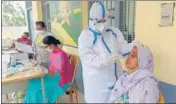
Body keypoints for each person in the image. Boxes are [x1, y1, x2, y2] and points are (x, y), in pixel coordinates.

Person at [78, 2, 135, 103]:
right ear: (92, 20)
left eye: (105, 20)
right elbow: (87, 59)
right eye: (99, 21)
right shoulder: (85, 36)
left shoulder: (114, 32)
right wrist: (106, 58)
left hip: (116, 81)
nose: (103, 23)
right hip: (97, 86)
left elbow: (123, 48)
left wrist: (134, 46)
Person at [24, 36, 74, 103]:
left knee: (36, 87)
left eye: (46, 47)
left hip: (61, 79)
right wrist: (43, 64)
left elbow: (57, 73)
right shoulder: (53, 52)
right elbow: (52, 64)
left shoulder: (61, 54)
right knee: (33, 81)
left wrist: (45, 70)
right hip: (53, 75)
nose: (45, 49)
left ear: (52, 45)